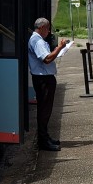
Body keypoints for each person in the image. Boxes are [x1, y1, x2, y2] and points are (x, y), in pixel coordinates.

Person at [28, 17, 68, 152]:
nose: (49, 31)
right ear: (42, 28)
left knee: (45, 109)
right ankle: (43, 140)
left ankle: (45, 137)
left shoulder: (37, 40)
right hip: (43, 79)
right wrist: (59, 48)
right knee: (44, 110)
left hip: (44, 78)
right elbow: (47, 59)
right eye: (48, 28)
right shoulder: (37, 41)